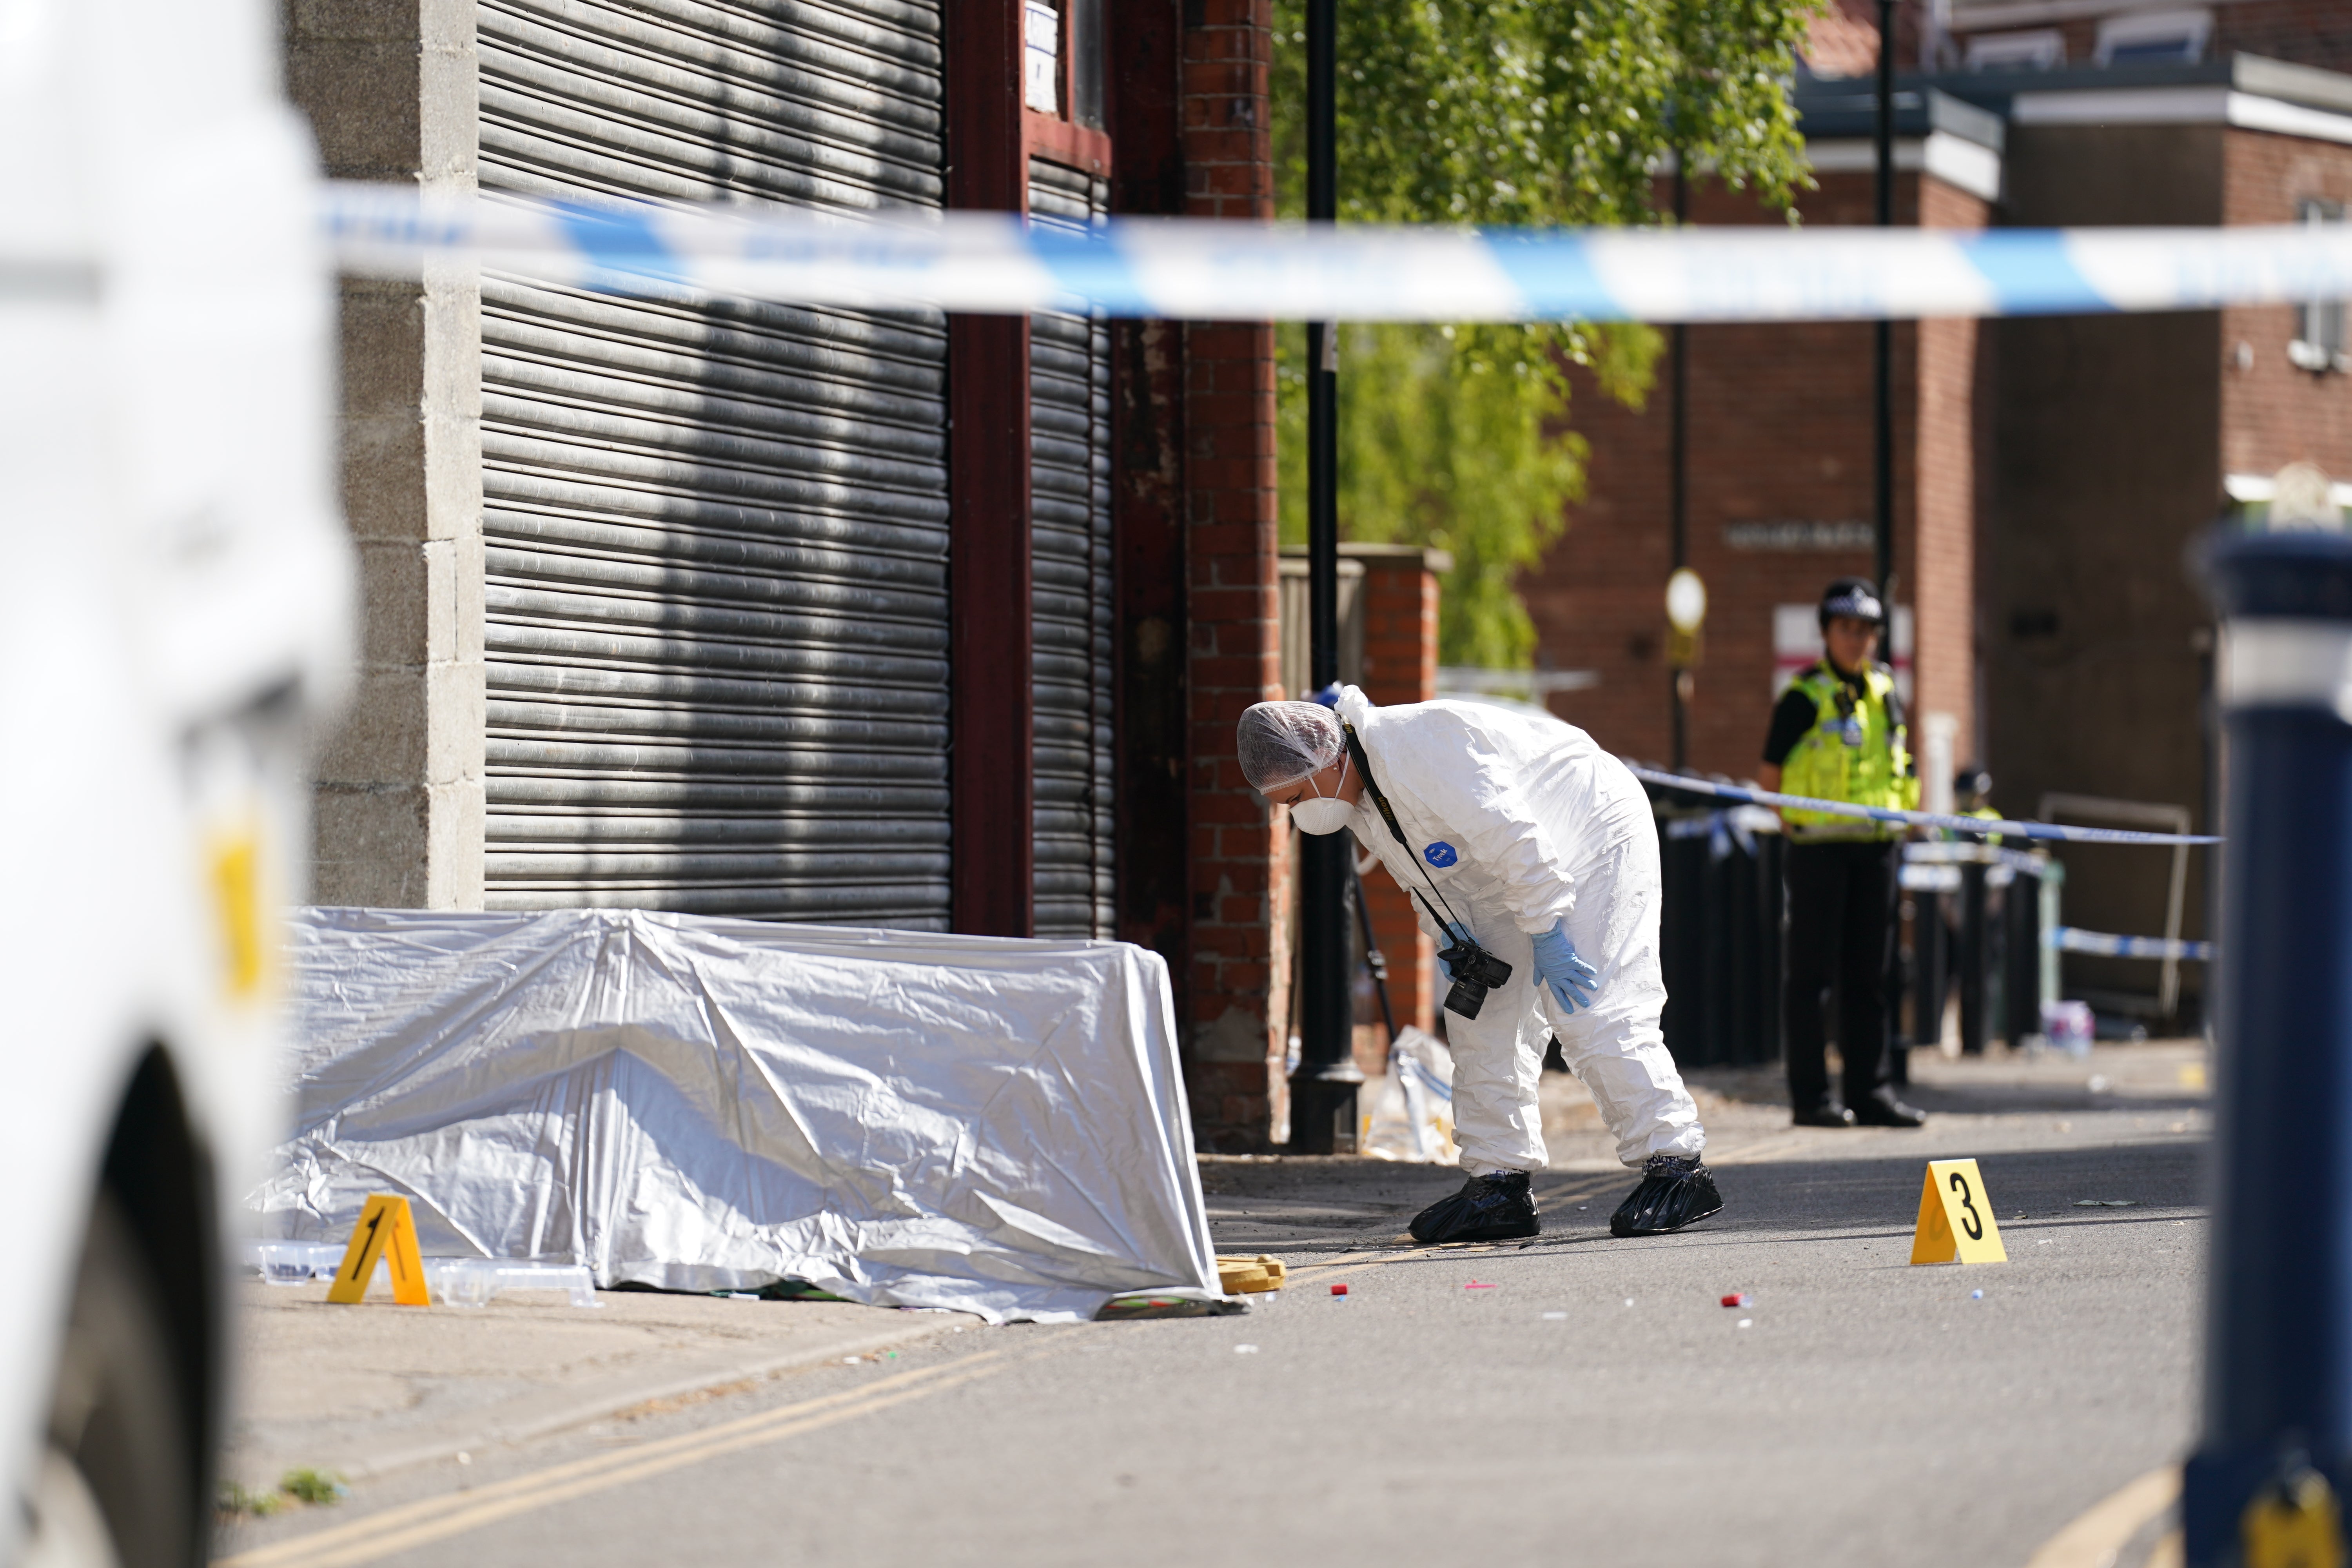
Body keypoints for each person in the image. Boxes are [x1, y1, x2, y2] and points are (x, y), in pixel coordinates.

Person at [1236, 685, 1720, 1242]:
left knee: (1590, 1006)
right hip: (1505, 872)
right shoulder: (1362, 795)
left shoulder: (1418, 745)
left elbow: (1513, 837)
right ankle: (1500, 1183)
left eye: (1297, 799)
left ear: (1324, 757)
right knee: (1481, 1018)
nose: (1301, 815)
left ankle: (1677, 1164)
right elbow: (1426, 880)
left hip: (1590, 832)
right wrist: (1454, 940)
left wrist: (1547, 932)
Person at [1758, 577, 1928, 1129]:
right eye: (1846, 629)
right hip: (1818, 853)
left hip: (1876, 852)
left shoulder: (1886, 690)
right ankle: (1811, 1099)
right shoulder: (1803, 695)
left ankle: (1870, 1090)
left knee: (1871, 977)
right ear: (1827, 633)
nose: (1857, 640)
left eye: (1866, 630)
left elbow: (1901, 764)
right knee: (1810, 979)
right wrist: (1801, 830)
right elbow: (1770, 778)